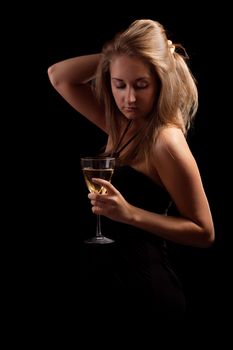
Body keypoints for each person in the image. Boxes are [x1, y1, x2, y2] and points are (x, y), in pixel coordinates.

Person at [48, 19, 214, 322]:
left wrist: (129, 213)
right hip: (111, 289)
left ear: (161, 81)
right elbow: (58, 76)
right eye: (119, 84)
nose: (130, 98)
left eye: (141, 85)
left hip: (147, 295)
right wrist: (118, 57)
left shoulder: (166, 142)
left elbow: (204, 232)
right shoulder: (122, 125)